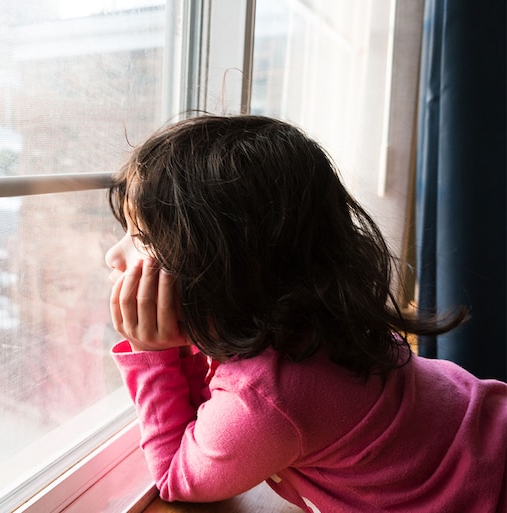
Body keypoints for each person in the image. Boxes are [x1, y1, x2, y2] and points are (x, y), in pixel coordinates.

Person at [104, 114, 507, 512]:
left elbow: (176, 477)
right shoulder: (319, 322)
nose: (113, 256)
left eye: (143, 238)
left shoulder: (264, 400)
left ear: (229, 265)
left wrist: (150, 353)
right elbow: (209, 416)